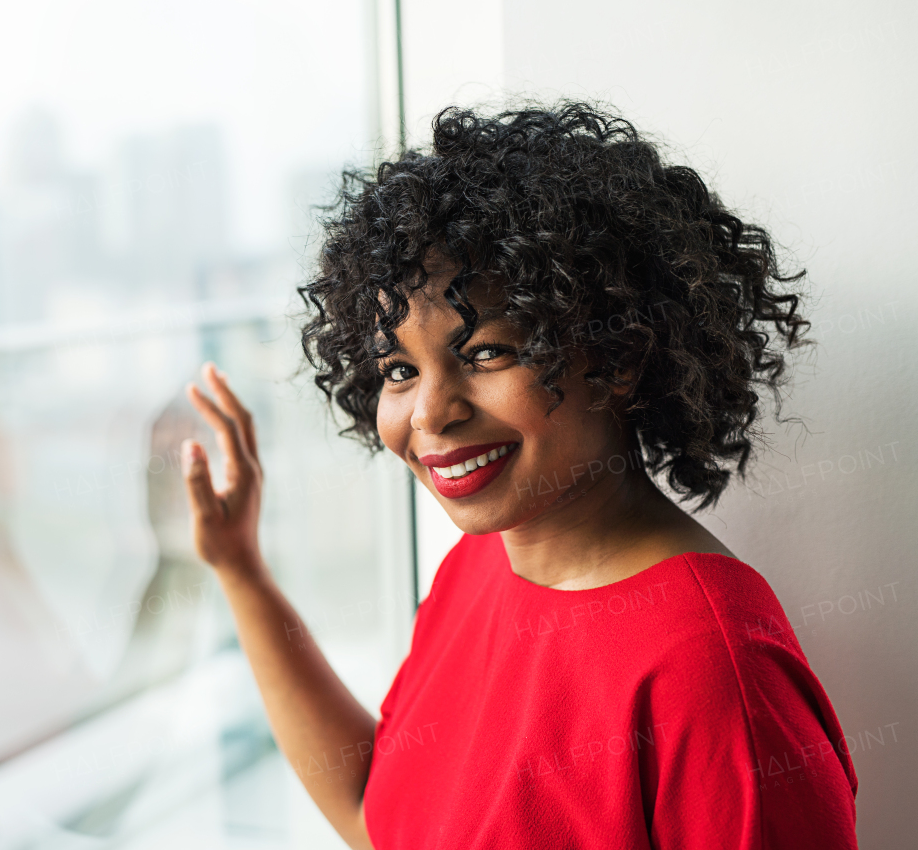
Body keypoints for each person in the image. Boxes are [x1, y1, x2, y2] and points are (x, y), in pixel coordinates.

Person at [178, 102, 858, 849]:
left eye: (486, 353)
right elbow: (381, 814)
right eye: (400, 369)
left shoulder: (712, 671)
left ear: (619, 357)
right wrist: (240, 567)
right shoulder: (477, 569)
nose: (431, 412)